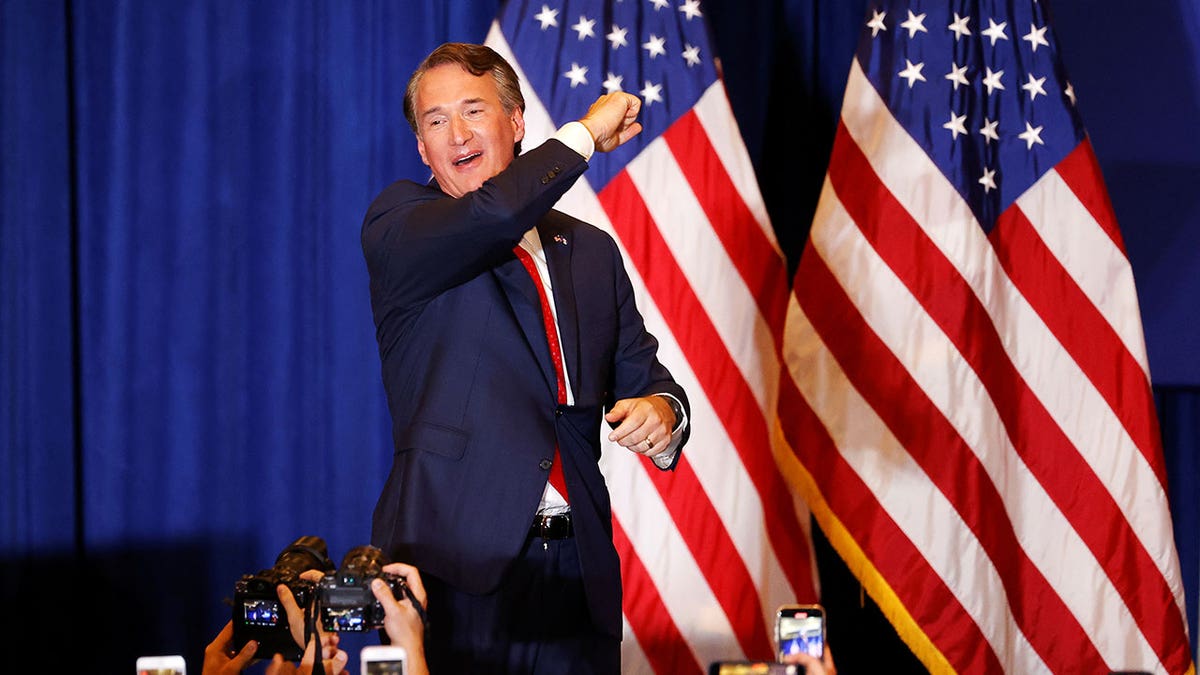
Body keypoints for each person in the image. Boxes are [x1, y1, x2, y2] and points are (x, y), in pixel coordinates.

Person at [361, 42, 691, 674]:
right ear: (421, 149)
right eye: (435, 121)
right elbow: (495, 213)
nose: (456, 134)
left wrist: (662, 411)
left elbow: (643, 373)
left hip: (578, 570)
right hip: (455, 566)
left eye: (473, 111)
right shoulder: (401, 227)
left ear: (515, 124)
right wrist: (586, 135)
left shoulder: (589, 250)